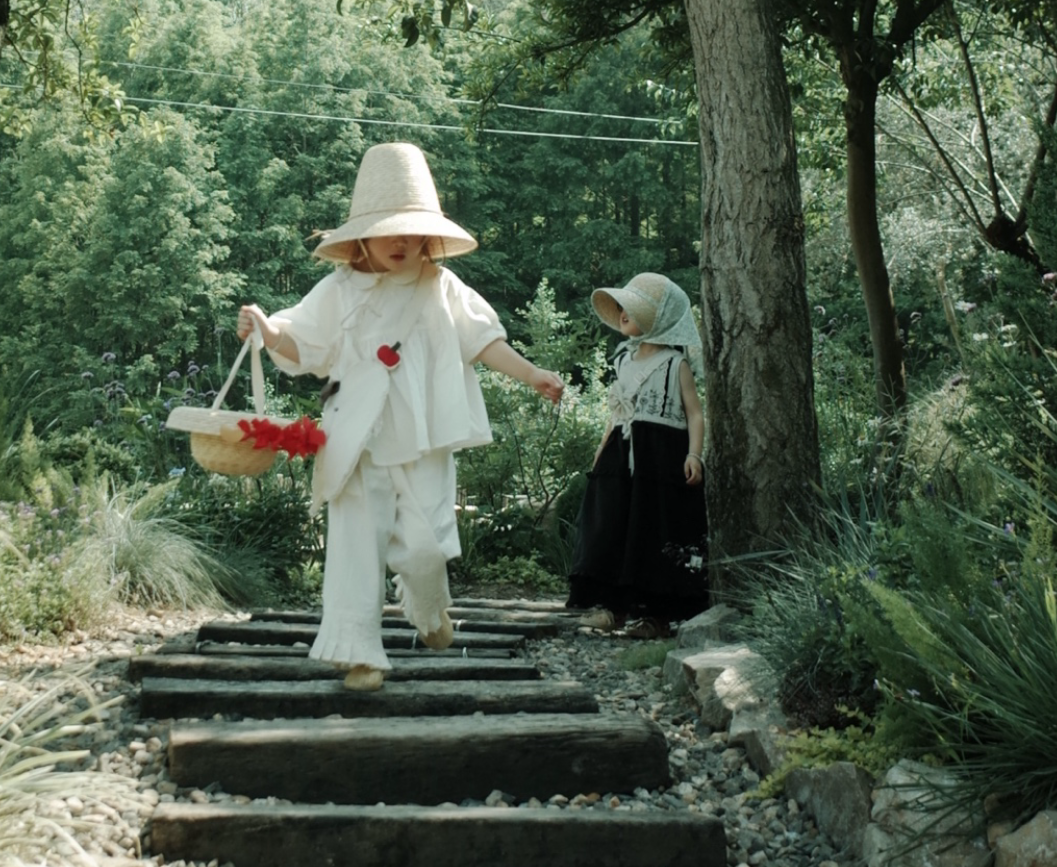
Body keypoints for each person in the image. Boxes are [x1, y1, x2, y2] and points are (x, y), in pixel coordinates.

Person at [236, 142, 563, 690]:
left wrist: (532, 374)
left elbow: (483, 340)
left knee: (425, 547)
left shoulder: (442, 286)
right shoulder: (339, 290)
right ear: (362, 236)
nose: (401, 241)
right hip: (356, 436)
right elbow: (302, 344)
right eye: (389, 230)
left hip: (424, 437)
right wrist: (267, 329)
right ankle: (358, 652)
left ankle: (428, 607)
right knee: (354, 546)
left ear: (428, 236)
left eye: (411, 231)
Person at [567, 271, 708, 634]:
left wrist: (694, 455)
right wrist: (602, 451)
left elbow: (695, 413)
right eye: (622, 307)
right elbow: (618, 413)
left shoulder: (675, 364)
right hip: (621, 453)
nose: (623, 313)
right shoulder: (623, 361)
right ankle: (611, 607)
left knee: (652, 527)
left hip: (660, 458)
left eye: (634, 308)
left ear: (659, 319)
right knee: (612, 524)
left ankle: (655, 613)